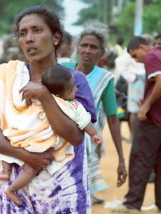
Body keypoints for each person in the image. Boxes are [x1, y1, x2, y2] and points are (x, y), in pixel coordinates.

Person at [0, 5, 97, 213]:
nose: (28, 38)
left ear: (55, 37)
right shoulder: (8, 78)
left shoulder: (74, 81)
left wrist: (44, 95)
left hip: (63, 194)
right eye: (22, 33)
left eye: (37, 30)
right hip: (17, 194)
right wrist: (26, 156)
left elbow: (76, 136)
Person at [0, 64, 101, 205]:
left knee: (12, 142)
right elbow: (84, 121)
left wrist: (92, 134)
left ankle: (7, 175)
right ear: (58, 93)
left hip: (32, 140)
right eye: (72, 88)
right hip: (36, 141)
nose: (76, 89)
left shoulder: (45, 97)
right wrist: (93, 134)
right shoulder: (72, 105)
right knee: (27, 166)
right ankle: (11, 187)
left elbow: (84, 121)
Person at [64, 21, 127, 204]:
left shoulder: (105, 79)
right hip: (58, 136)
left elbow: (113, 118)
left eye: (94, 47)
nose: (88, 50)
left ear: (101, 53)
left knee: (79, 193)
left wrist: (121, 160)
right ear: (77, 48)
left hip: (87, 140)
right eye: (84, 45)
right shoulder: (63, 68)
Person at [113, 36, 161, 213]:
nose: (136, 59)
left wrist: (146, 106)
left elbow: (160, 83)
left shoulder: (152, 56)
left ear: (141, 47)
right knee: (159, 163)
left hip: (152, 120)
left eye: (134, 55)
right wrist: (149, 98)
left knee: (140, 158)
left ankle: (132, 204)